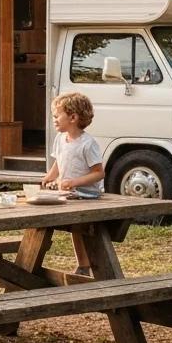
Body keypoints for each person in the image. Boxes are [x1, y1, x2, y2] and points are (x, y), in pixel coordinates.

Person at [41, 91, 104, 278]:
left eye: (57, 115)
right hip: (70, 193)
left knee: (80, 227)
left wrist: (74, 182)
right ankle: (83, 265)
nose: (54, 119)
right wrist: (49, 177)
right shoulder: (60, 139)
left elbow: (99, 173)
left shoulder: (87, 143)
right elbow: (58, 163)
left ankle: (89, 264)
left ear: (73, 117)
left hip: (87, 194)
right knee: (74, 228)